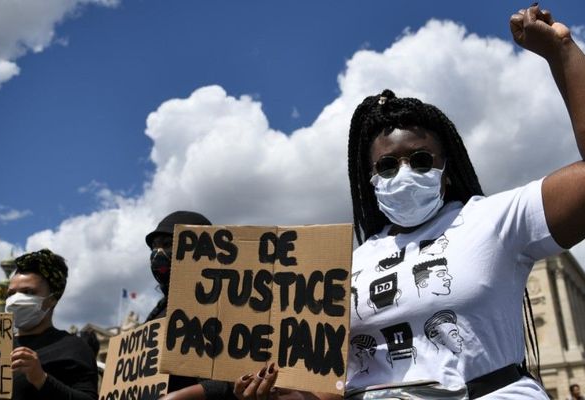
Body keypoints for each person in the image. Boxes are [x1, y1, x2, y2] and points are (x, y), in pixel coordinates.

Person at [234, 4, 585, 399]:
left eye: (420, 160)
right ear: (370, 180)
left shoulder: (496, 219)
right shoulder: (347, 266)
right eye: (386, 166)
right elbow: (336, 384)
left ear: (446, 169)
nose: (403, 172)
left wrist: (562, 52)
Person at [145, 211, 237, 400]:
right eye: (153, 247)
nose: (157, 254)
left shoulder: (228, 308)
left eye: (168, 244)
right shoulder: (157, 314)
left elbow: (238, 377)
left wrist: (184, 396)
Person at [5, 249, 98, 400]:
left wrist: (41, 379)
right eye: (11, 293)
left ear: (52, 299)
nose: (15, 300)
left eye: (28, 292)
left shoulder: (74, 348)